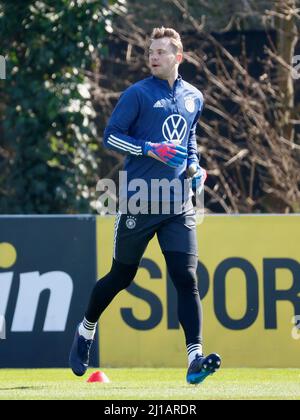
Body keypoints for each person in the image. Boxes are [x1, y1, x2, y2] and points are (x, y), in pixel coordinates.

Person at [69, 27, 221, 385]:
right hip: (138, 201)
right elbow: (111, 136)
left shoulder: (194, 97)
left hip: (178, 205)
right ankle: (86, 329)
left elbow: (190, 139)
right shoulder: (136, 94)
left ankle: (195, 359)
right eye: (151, 51)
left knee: (186, 278)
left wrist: (195, 167)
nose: (153, 56)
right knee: (122, 276)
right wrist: (149, 148)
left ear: (178, 57)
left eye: (162, 52)